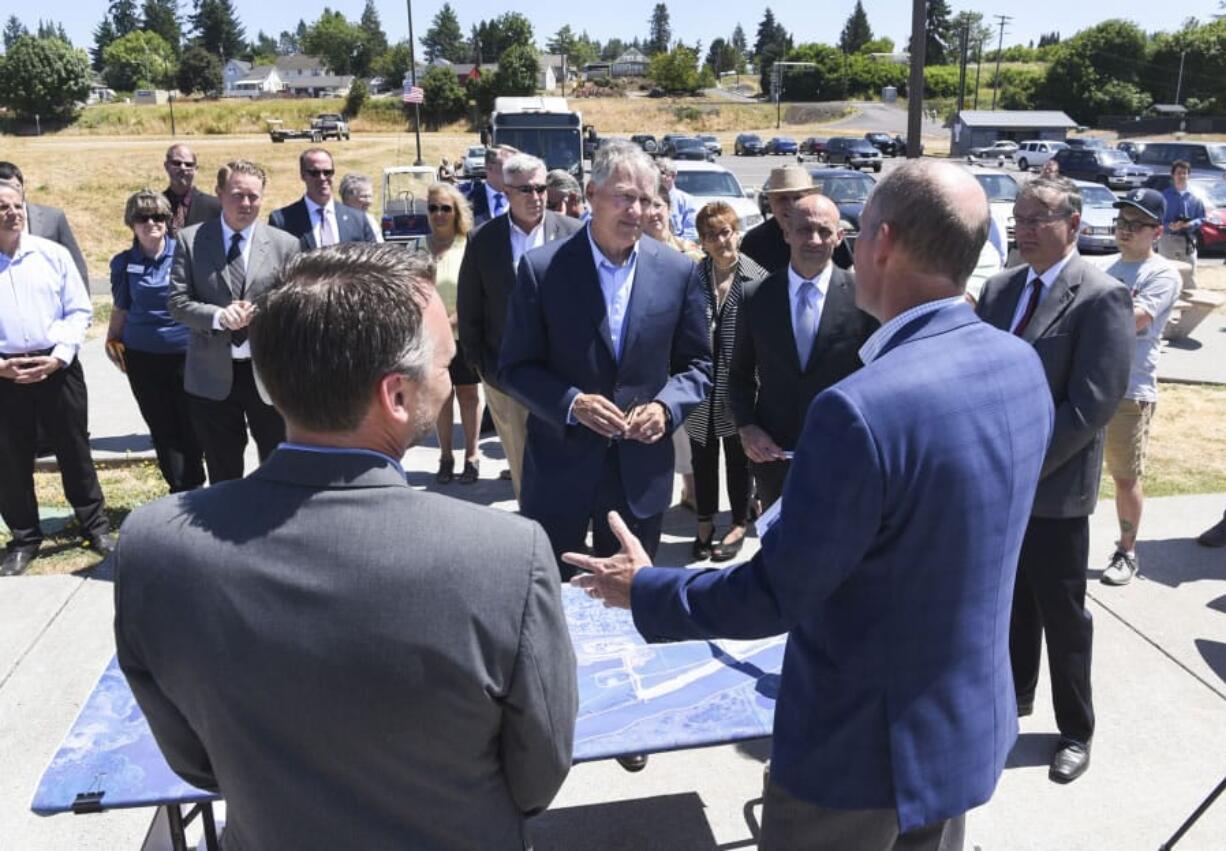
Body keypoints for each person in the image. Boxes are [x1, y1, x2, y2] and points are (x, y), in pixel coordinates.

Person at [570, 161, 1055, 851]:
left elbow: (775, 595)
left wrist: (645, 589)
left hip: (856, 758)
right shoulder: (1018, 364)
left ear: (880, 243)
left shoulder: (862, 409)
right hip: (960, 734)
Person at [115, 244, 577, 849]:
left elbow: (194, 762)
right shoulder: (506, 558)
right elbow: (538, 773)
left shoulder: (153, 547)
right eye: (444, 361)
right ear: (396, 396)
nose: (452, 369)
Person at [977, 175, 1134, 784]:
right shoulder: (997, 290)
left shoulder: (1100, 296)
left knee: (1063, 615)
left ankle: (1075, 729)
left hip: (1052, 488)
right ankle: (1013, 700)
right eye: (1019, 216)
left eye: (1039, 217)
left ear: (1073, 224)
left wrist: (1022, 467)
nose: (1025, 227)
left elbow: (1092, 404)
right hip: (996, 486)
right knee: (1008, 604)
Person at [499, 140, 712, 572]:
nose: (635, 211)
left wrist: (666, 408)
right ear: (591, 195)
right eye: (623, 197)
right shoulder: (543, 270)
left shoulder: (678, 271)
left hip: (640, 472)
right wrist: (572, 403)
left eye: (644, 200)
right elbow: (514, 367)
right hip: (561, 471)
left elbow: (699, 365)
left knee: (630, 605)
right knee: (553, 600)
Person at [728, 193, 878, 509]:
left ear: (839, 237)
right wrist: (747, 427)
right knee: (778, 552)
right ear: (786, 232)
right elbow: (738, 374)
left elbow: (881, 379)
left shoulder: (865, 297)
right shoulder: (755, 297)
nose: (813, 239)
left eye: (824, 231)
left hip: (843, 456)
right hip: (774, 459)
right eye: (804, 229)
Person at [0, 178, 114, 576]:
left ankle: (94, 526)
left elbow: (78, 310)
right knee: (9, 460)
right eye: (2, 207)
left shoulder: (51, 254)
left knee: (74, 450)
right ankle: (25, 538)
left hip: (57, 368)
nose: (12, 213)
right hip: (4, 375)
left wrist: (59, 356)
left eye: (17, 205)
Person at [457, 153, 581, 500]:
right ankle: (534, 535)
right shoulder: (483, 240)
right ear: (506, 191)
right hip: (505, 376)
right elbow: (470, 310)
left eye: (541, 188)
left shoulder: (573, 234)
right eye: (526, 189)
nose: (536, 196)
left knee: (568, 460)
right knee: (523, 468)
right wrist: (482, 366)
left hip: (564, 376)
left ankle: (568, 531)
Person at [167, 160, 301, 483]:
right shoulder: (191, 240)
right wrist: (217, 316)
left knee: (277, 466)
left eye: (253, 197)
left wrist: (264, 313)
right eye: (237, 195)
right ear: (219, 193)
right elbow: (176, 302)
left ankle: (271, 528)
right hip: (212, 376)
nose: (246, 204)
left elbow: (296, 305)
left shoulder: (285, 245)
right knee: (223, 468)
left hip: (267, 376)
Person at [1098, 189, 1181, 585]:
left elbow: (1135, 319)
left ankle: (1127, 551)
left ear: (1157, 231)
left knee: (1125, 476)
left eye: (1136, 224)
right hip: (1092, 386)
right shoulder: (1108, 269)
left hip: (1131, 390)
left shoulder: (1161, 273)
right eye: (1122, 222)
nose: (1125, 230)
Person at [105, 190, 205, 494]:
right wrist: (111, 340)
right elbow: (121, 305)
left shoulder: (187, 253)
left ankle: (196, 485)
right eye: (143, 217)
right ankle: (177, 489)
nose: (152, 222)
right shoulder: (123, 262)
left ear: (168, 220)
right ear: (131, 223)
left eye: (159, 216)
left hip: (186, 354)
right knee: (161, 426)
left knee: (192, 423)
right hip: (142, 357)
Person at [685, 202, 767, 562]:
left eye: (725, 232)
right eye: (711, 236)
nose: (721, 242)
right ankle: (704, 521)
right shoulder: (692, 276)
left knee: (738, 457)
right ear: (701, 242)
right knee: (701, 455)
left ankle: (737, 522)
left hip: (741, 382)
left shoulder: (758, 278)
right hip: (700, 381)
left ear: (737, 233)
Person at [641, 179, 702, 517]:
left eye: (659, 206)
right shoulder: (630, 256)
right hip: (649, 358)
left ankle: (693, 489)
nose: (653, 213)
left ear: (669, 209)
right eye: (647, 206)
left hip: (686, 355)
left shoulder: (691, 254)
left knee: (689, 427)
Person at [426, 181, 482, 485]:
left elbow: (477, 290)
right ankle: (445, 457)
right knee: (441, 400)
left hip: (464, 335)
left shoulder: (470, 244)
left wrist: (457, 319)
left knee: (469, 396)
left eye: (445, 208)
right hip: (431, 339)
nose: (439, 214)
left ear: (456, 211)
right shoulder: (416, 247)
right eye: (433, 208)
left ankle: (471, 456)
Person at [739, 165, 853, 274]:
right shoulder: (754, 242)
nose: (791, 205)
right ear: (770, 202)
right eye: (782, 199)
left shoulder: (827, 235)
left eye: (798, 197)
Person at [0, 161, 89, 284]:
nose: (10, 192)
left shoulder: (52, 218)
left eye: (14, 186)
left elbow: (77, 266)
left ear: (23, 188)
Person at [268, 148, 377, 247]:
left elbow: (374, 261)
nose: (322, 178)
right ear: (302, 175)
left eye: (327, 172)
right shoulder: (282, 221)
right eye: (314, 173)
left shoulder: (358, 219)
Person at [1158, 159, 1205, 290]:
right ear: (1173, 175)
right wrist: (1170, 226)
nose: (1182, 176)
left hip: (1188, 240)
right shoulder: (1165, 196)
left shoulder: (1196, 196)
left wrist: (1190, 224)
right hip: (1168, 239)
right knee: (1166, 274)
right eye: (1179, 173)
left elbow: (1201, 218)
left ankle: (1190, 306)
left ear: (1188, 175)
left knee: (1190, 273)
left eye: (1185, 173)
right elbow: (1158, 218)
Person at [161, 144, 222, 237]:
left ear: (195, 169)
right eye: (176, 163)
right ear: (166, 166)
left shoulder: (215, 207)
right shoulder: (155, 205)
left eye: (188, 164)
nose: (183, 167)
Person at [468, 145, 517, 227]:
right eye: (509, 167)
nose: (514, 173)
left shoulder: (523, 197)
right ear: (488, 167)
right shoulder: (468, 202)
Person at [656, 158, 699, 241]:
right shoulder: (648, 198)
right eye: (654, 173)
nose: (656, 176)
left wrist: (675, 246)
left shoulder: (686, 200)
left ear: (673, 176)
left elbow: (691, 232)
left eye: (661, 173)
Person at [338, 172, 384, 243]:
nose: (369, 202)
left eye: (370, 196)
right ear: (347, 197)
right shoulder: (335, 220)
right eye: (364, 197)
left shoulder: (369, 220)